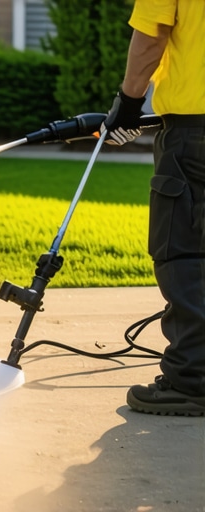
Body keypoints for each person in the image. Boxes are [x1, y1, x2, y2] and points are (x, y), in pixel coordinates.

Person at [102, 0, 205, 416]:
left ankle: (192, 380)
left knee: (182, 251)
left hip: (195, 132)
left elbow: (151, 37)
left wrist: (128, 103)